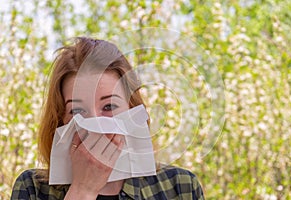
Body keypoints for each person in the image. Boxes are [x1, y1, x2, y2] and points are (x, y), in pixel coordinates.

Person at [11, 37, 205, 200]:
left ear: (132, 109)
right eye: (77, 112)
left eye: (109, 106)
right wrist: (83, 190)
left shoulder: (180, 187)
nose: (96, 125)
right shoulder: (31, 189)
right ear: (60, 119)